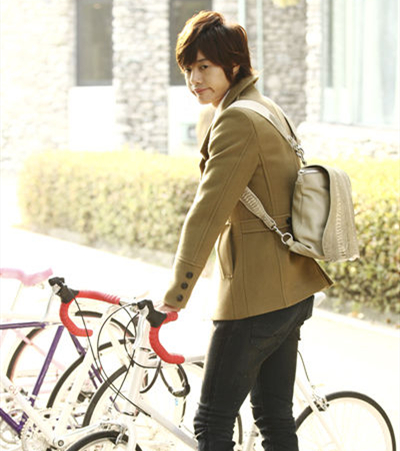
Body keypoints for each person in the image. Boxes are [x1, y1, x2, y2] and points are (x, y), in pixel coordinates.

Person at [160, 10, 332, 451]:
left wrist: (174, 295)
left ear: (233, 64)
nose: (194, 79)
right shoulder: (265, 107)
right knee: (274, 418)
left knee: (212, 422)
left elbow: (207, 212)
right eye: (188, 68)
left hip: (256, 299)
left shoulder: (237, 119)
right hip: (291, 288)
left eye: (204, 66)